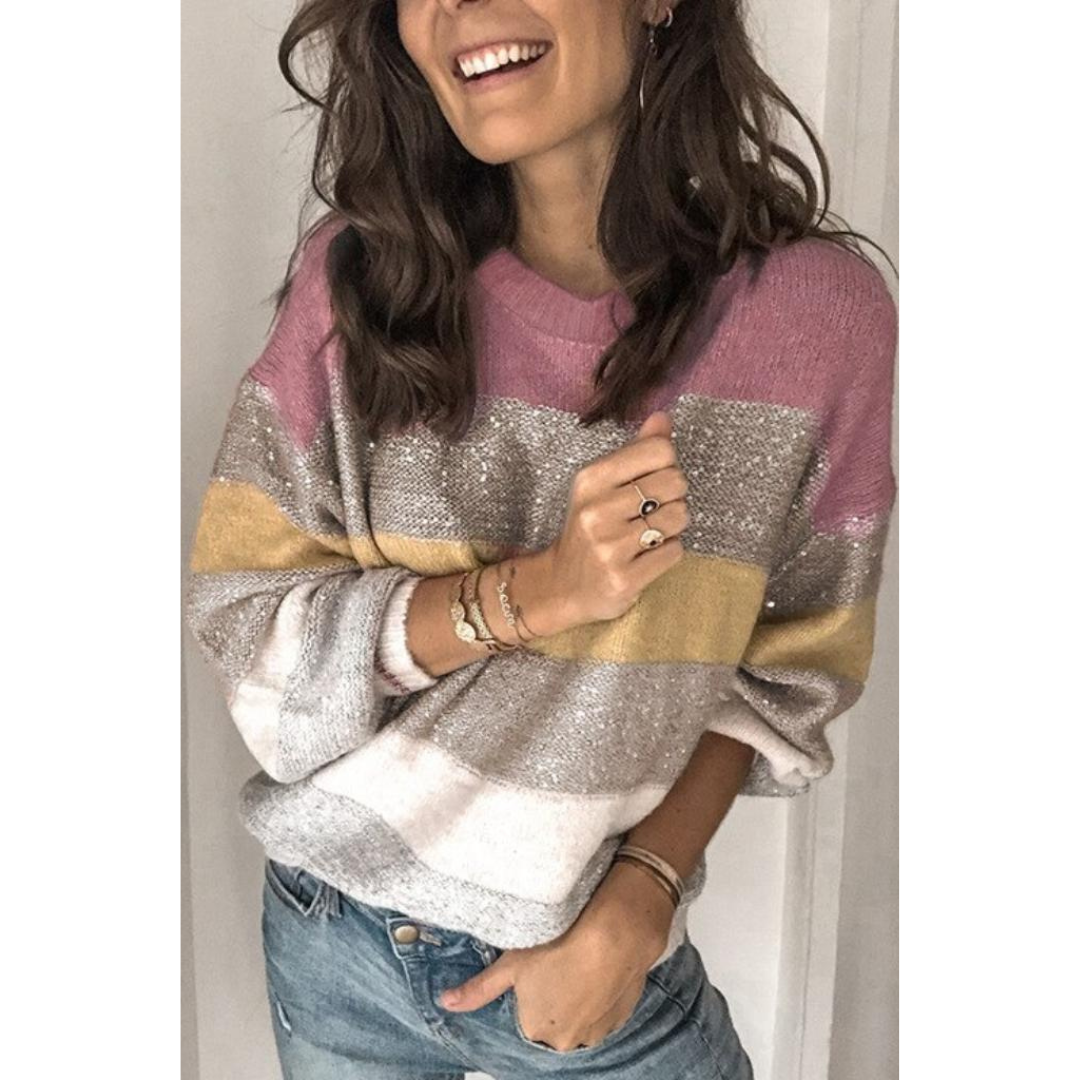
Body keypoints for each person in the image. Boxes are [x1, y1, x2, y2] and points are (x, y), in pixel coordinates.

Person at [184, 1, 898, 1077]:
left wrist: (643, 894)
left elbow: (786, 674)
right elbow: (247, 634)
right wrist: (530, 597)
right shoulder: (358, 285)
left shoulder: (815, 321)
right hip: (336, 939)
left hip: (591, 952)